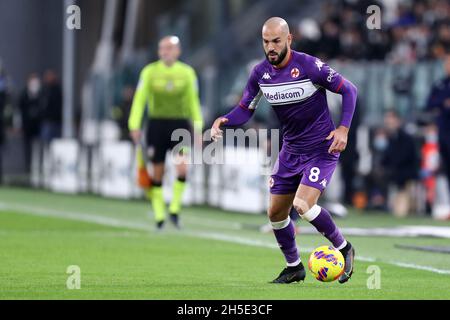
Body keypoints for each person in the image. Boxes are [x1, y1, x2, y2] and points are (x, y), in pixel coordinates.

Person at [211, 17, 357, 284]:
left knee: (302, 205)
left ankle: (344, 248)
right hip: (290, 150)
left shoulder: (309, 66)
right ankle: (294, 267)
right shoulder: (259, 74)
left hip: (321, 148)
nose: (271, 47)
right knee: (276, 214)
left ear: (288, 39)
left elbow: (349, 90)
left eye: (276, 41)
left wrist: (343, 129)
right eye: (266, 42)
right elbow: (246, 108)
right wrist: (226, 120)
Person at [128, 36, 203, 230]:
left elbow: (193, 101)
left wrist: (197, 127)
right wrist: (134, 124)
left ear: (178, 51)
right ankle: (159, 215)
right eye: (162, 48)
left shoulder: (187, 73)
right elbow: (140, 99)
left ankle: (175, 209)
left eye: (169, 48)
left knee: (182, 168)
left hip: (179, 125)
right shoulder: (150, 72)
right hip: (157, 125)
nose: (165, 51)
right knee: (158, 173)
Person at [381, 110, 419, 217]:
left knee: (401, 210)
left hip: (405, 177)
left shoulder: (406, 138)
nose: (388, 122)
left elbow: (404, 157)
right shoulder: (391, 138)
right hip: (396, 176)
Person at [426, 54, 450, 203]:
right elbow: (429, 103)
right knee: (447, 169)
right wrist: (444, 103)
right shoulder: (440, 84)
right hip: (444, 132)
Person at [19, 73, 42, 173]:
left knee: (39, 149)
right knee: (28, 150)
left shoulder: (41, 94)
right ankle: (28, 170)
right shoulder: (23, 94)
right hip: (27, 127)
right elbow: (20, 111)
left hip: (39, 127)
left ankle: (39, 170)